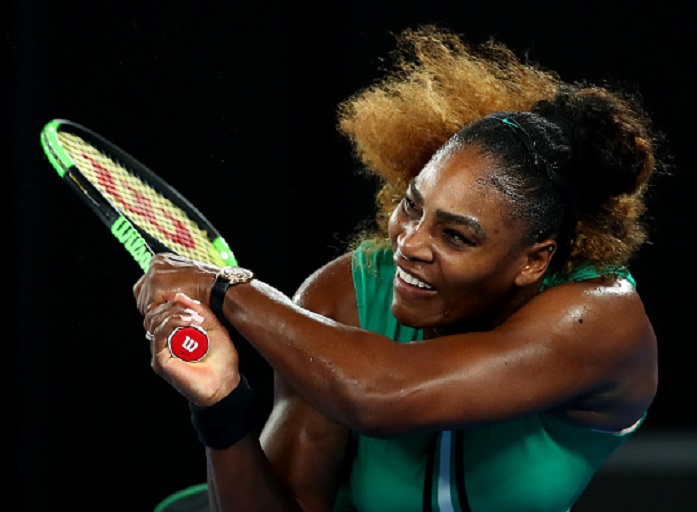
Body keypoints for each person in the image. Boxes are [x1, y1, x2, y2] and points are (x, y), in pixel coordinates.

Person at [135, 24, 667, 512]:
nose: (408, 244)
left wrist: (227, 289)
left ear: (534, 261)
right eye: (412, 206)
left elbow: (380, 396)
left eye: (455, 235)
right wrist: (221, 405)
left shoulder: (599, 319)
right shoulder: (343, 294)